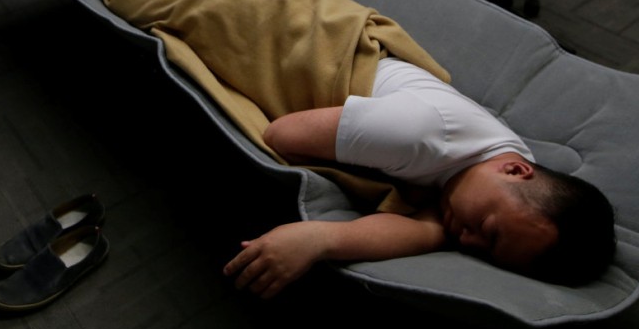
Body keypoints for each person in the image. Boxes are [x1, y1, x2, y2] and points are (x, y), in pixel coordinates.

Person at [223, 56, 616, 297]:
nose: (466, 239)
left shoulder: (499, 172)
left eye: (484, 250)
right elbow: (281, 135)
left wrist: (319, 238)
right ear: (515, 171)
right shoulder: (418, 134)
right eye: (486, 229)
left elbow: (428, 231)